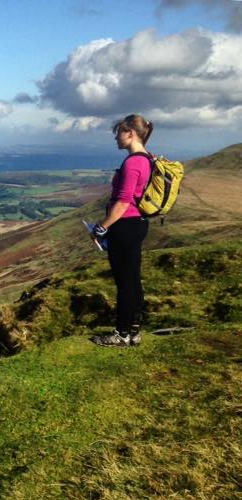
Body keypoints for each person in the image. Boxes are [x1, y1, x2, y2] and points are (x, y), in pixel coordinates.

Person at [90, 114, 153, 347]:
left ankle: (122, 334)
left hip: (124, 226)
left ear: (131, 133)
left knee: (124, 283)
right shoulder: (148, 159)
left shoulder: (134, 162)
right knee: (133, 279)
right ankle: (134, 331)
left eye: (118, 132)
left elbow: (124, 201)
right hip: (138, 224)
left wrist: (101, 227)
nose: (116, 137)